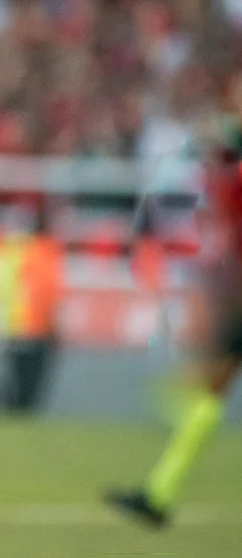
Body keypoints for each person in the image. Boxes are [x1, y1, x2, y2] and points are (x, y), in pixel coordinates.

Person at [105, 94, 242, 528]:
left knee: (209, 388)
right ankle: (159, 493)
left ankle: (159, 491)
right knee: (211, 389)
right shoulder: (228, 185)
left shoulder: (231, 184)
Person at [0, 203, 64, 413]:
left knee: (14, 383)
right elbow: (46, 293)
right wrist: (53, 324)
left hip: (10, 324)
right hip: (33, 325)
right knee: (27, 388)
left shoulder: (8, 249)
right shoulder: (42, 251)